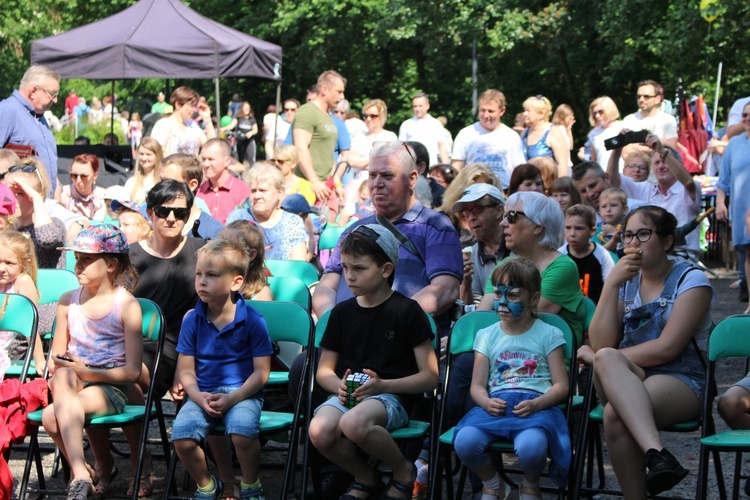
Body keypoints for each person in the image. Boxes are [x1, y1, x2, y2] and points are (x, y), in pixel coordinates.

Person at [577, 205, 713, 497]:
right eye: (627, 236)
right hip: (626, 376)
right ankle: (657, 453)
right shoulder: (626, 282)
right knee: (605, 356)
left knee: (615, 414)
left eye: (643, 234)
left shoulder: (692, 281)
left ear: (666, 241)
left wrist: (599, 357)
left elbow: (669, 347)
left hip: (680, 377)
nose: (633, 243)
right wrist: (612, 283)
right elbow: (601, 342)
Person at [308, 224, 439, 500]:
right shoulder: (341, 313)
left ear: (386, 270)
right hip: (351, 395)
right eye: (344, 267)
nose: (349, 276)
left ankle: (403, 470)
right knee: (319, 430)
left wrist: (383, 386)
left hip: (392, 397)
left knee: (353, 423)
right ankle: (366, 477)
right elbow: (324, 372)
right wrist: (339, 385)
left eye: (359, 268)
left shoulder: (407, 311)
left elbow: (430, 376)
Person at [454, 258, 571, 499]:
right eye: (498, 293)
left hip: (536, 407)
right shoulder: (487, 335)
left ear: (534, 299)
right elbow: (477, 386)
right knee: (464, 442)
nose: (503, 302)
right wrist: (485, 402)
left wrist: (538, 403)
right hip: (495, 405)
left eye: (514, 295)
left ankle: (530, 484)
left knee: (531, 448)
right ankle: (493, 483)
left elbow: (561, 386)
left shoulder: (549, 334)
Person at [41, 224, 142, 500]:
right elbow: (55, 360)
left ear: (110, 264)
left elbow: (133, 372)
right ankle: (82, 472)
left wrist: (86, 371)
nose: (78, 265)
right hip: (73, 383)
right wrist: (65, 366)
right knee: (61, 378)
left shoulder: (127, 305)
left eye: (87, 259)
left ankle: (91, 471)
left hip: (111, 387)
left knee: (52, 418)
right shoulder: (67, 302)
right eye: (77, 259)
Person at [172, 238, 274, 500]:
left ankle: (251, 484)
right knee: (181, 437)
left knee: (241, 431)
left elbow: (261, 372)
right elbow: (185, 370)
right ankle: (207, 485)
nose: (202, 281)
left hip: (242, 394)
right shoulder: (192, 319)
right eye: (198, 274)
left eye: (212, 275)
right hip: (203, 393)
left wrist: (233, 397)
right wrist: (196, 395)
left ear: (236, 282)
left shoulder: (253, 320)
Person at [477, 191, 585, 343]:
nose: (503, 223)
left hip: (546, 360)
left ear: (538, 226)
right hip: (502, 351)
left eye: (512, 216)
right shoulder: (505, 267)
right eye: (504, 216)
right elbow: (481, 316)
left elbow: (523, 318)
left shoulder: (562, 267)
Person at [607, 132, 702, 257]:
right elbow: (612, 179)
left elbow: (689, 182)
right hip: (649, 257)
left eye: (665, 161)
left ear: (676, 165)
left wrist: (661, 150)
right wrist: (618, 146)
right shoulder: (646, 189)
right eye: (657, 163)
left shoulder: (686, 189)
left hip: (681, 256)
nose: (661, 166)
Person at [226, 163, 308, 261]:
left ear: (280, 193)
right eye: (253, 191)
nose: (257, 196)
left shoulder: (292, 222)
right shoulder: (237, 218)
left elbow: (298, 265)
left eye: (263, 190)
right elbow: (227, 261)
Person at [0, 65, 61, 196]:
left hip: (42, 202)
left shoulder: (39, 117)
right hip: (18, 204)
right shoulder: (7, 110)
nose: (55, 100)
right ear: (33, 90)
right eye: (52, 94)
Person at [451, 89, 525, 190]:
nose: (486, 115)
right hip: (473, 192)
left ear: (502, 111)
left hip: (504, 192)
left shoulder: (511, 136)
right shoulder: (466, 134)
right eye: (482, 110)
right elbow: (457, 167)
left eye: (491, 111)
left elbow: (519, 170)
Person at [292, 71, 347, 203]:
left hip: (326, 186)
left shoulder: (327, 116)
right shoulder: (307, 111)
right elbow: (300, 148)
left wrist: (335, 182)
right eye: (339, 92)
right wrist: (315, 182)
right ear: (324, 90)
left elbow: (328, 153)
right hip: (308, 187)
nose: (342, 96)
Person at [716, 100, 750, 312]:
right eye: (744, 115)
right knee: (749, 253)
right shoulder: (734, 144)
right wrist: (720, 203)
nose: (746, 119)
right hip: (741, 208)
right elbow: (723, 181)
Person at [451, 183, 508, 306]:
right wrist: (466, 283)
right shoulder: (471, 255)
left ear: (499, 211)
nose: (471, 217)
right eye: (466, 212)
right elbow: (472, 311)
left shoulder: (519, 247)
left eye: (477, 210)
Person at [5, 159, 67, 269]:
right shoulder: (9, 230)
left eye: (20, 193)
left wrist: (36, 198)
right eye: (9, 193)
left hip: (46, 285)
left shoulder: (55, 224)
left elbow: (47, 238)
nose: (12, 199)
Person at [0, 230, 46, 374]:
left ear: (25, 264)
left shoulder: (22, 282)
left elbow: (31, 326)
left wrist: (40, 361)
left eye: (9, 263)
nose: (1, 269)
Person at [159, 153, 224, 239]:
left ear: (192, 185)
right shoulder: (151, 220)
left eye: (169, 181)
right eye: (161, 181)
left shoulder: (215, 232)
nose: (162, 186)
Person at [560, 204, 614, 303]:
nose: (572, 233)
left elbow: (611, 288)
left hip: (596, 310)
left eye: (579, 228)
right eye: (568, 227)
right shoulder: (559, 255)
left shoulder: (602, 255)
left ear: (592, 231)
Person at [196, 138, 251, 224]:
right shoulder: (198, 191)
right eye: (203, 159)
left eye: (211, 159)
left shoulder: (243, 190)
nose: (206, 164)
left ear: (227, 161)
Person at [149, 86, 215, 156]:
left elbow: (211, 147)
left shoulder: (191, 125)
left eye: (195, 106)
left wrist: (207, 119)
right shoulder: (163, 125)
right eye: (191, 106)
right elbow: (155, 154)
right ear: (178, 104)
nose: (194, 110)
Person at [347, 99, 398, 188]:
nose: (368, 119)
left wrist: (362, 162)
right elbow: (350, 160)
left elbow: (389, 163)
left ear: (381, 116)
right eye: (365, 116)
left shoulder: (389, 137)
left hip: (382, 184)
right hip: (359, 183)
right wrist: (373, 160)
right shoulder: (359, 137)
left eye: (373, 116)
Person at [218, 221, 273, 301]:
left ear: (251, 255)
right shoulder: (216, 284)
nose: (220, 250)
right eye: (219, 244)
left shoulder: (261, 294)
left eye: (230, 246)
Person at [521, 96, 570, 178]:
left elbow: (562, 164)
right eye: (524, 111)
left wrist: (559, 188)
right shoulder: (524, 132)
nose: (524, 114)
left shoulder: (554, 132)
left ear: (541, 114)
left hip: (547, 183)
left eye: (528, 111)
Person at [398, 92, 452, 166]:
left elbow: (442, 148)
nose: (417, 109)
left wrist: (446, 168)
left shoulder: (436, 124)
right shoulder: (406, 125)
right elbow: (401, 148)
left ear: (427, 106)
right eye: (415, 106)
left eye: (420, 106)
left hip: (431, 167)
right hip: (411, 167)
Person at [621, 80, 678, 149]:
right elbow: (625, 150)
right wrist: (658, 146)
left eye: (646, 97)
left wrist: (636, 147)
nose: (641, 100)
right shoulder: (629, 120)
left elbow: (671, 150)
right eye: (639, 96)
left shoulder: (668, 120)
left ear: (658, 99)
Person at [60, 154, 107, 220]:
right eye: (74, 176)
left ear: (95, 176)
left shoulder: (104, 196)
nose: (78, 181)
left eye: (84, 176)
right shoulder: (62, 195)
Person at [587, 96, 624, 168]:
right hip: (603, 174)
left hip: (622, 172)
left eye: (600, 112)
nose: (597, 116)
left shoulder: (622, 127)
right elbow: (594, 160)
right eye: (595, 113)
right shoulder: (593, 134)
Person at [125, 137, 164, 203]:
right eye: (141, 154)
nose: (144, 158)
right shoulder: (131, 182)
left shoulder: (164, 181)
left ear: (157, 156)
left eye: (148, 154)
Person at [597, 188, 628, 256]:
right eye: (604, 206)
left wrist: (614, 231)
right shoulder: (597, 231)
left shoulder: (629, 227)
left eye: (613, 205)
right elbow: (597, 252)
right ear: (599, 211)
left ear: (624, 209)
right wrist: (614, 239)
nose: (608, 209)